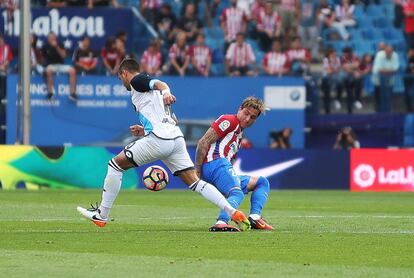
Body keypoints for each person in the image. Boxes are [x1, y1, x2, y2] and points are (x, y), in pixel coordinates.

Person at [77, 58, 250, 231]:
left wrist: (166, 91)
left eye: (120, 78)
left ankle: (102, 215)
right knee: (195, 182)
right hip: (175, 138)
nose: (122, 82)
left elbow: (159, 83)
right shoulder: (149, 93)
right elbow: (171, 120)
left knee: (115, 165)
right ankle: (232, 210)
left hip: (159, 140)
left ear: (124, 73)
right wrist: (144, 130)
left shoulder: (137, 80)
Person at [195, 97, 274, 232]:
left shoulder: (238, 136)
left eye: (253, 117)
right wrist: (197, 171)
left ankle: (254, 218)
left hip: (221, 168)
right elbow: (203, 142)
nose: (248, 119)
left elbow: (230, 162)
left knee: (261, 182)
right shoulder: (229, 120)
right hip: (215, 163)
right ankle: (221, 222)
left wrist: (227, 184)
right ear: (239, 109)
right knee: (237, 193)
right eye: (246, 113)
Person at [42, 32, 77, 101]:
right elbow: (43, 58)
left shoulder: (60, 44)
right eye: (51, 37)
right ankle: (50, 93)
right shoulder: (45, 46)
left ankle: (72, 93)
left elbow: (64, 56)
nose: (52, 38)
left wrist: (57, 47)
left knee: (72, 70)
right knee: (48, 71)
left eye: (53, 37)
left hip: (61, 65)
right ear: (48, 38)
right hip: (51, 65)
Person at [372, 45, 399, 112]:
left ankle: (387, 113)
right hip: (378, 81)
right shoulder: (379, 55)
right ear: (385, 51)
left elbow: (395, 69)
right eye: (387, 51)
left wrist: (386, 71)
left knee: (388, 98)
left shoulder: (395, 56)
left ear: (392, 51)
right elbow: (380, 70)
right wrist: (390, 71)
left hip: (390, 81)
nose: (388, 53)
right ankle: (378, 114)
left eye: (390, 51)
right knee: (378, 98)